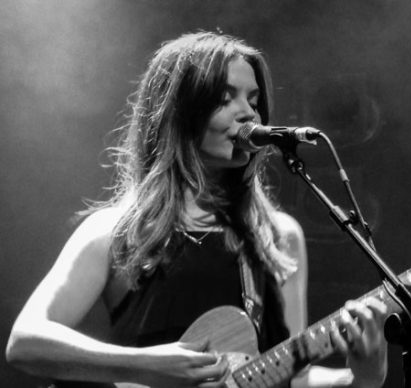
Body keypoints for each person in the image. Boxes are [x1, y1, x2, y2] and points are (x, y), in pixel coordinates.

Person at [6, 32, 388, 388]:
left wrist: (365, 377)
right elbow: (25, 342)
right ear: (178, 113)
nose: (249, 115)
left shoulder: (278, 236)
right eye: (225, 99)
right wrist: (146, 366)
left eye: (253, 101)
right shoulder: (115, 231)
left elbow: (289, 376)